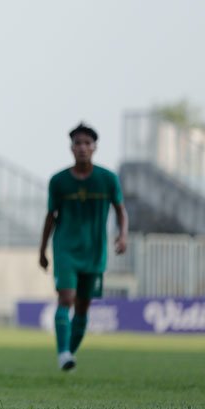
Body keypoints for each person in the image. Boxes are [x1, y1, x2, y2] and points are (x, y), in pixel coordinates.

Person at [39, 123, 128, 371]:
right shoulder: (58, 181)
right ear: (71, 148)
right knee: (66, 298)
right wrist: (42, 250)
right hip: (66, 248)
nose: (82, 148)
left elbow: (121, 211)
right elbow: (50, 216)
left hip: (95, 251)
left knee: (83, 306)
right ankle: (63, 353)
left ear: (95, 147)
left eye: (87, 143)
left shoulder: (108, 179)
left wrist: (123, 236)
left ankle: (68, 353)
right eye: (78, 143)